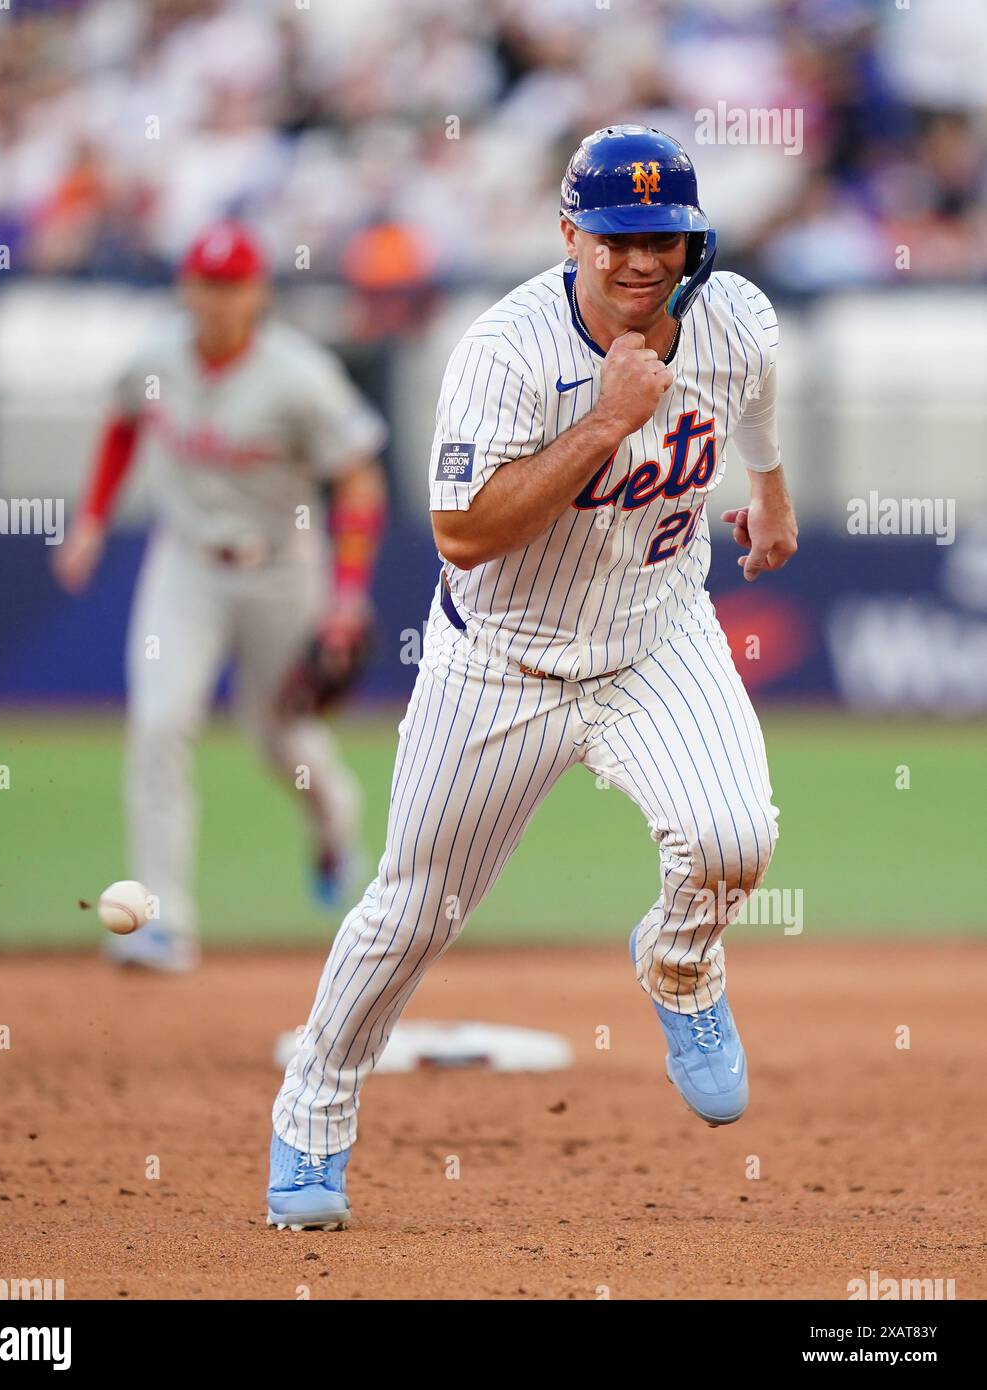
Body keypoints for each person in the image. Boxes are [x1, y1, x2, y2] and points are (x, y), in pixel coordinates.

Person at [263, 127, 798, 1230]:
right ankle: (312, 1112)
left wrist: (772, 490)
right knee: (413, 910)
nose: (641, 259)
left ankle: (679, 966)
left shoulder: (734, 315)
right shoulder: (504, 349)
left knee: (732, 837)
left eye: (663, 235)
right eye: (615, 238)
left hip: (657, 633)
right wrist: (608, 417)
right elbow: (461, 532)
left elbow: (752, 396)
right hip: (499, 661)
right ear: (569, 236)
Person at [53, 222, 388, 972]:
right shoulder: (155, 357)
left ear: (257, 291)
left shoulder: (298, 376)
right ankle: (162, 920)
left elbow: (360, 476)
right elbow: (121, 424)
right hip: (186, 565)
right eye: (205, 282)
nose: (217, 298)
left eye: (232, 283)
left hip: (282, 570)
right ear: (186, 287)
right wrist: (92, 521)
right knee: (159, 722)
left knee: (279, 742)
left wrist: (348, 595)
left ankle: (334, 825)